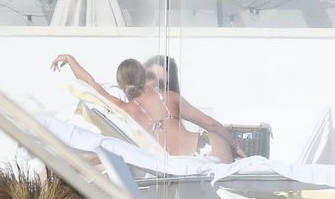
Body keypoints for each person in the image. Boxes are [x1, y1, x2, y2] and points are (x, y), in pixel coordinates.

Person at [50, 52, 242, 162]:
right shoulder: (169, 97)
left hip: (182, 164)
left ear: (122, 85)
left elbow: (90, 83)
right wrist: (237, 147)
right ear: (144, 77)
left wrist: (70, 59)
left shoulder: (125, 110)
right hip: (209, 146)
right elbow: (211, 125)